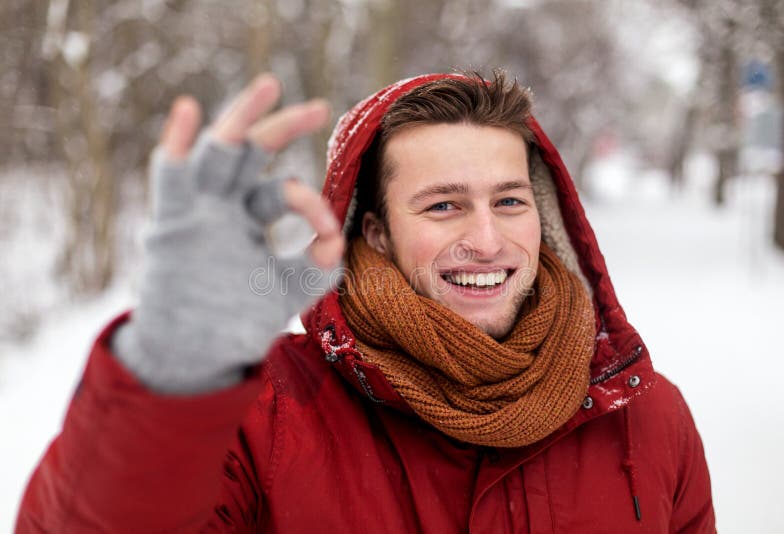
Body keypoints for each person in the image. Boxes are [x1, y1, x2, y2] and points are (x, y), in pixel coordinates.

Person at [16, 71, 715, 533]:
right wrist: (171, 374)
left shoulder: (643, 417)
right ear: (375, 231)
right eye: (443, 205)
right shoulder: (269, 413)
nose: (487, 238)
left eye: (509, 201)